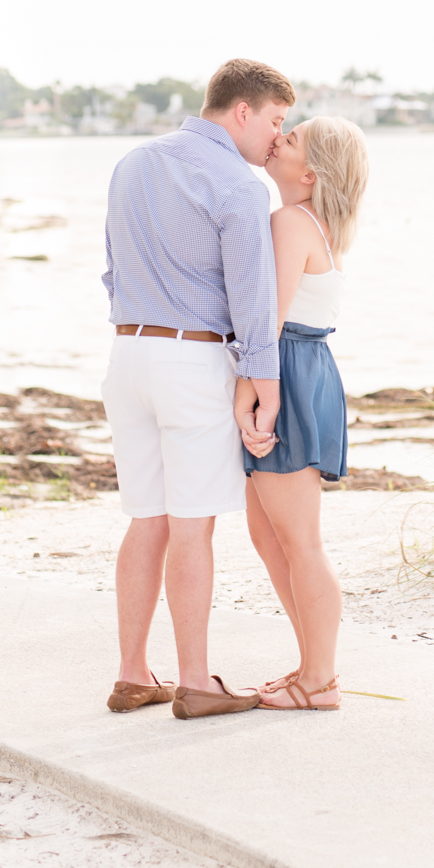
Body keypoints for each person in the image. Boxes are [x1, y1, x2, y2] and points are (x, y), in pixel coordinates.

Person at [100, 56, 294, 719]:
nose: (277, 136)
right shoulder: (239, 185)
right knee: (190, 528)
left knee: (145, 520)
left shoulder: (132, 163)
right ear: (242, 111)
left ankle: (131, 675)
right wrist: (261, 383)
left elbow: (110, 272)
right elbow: (251, 297)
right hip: (191, 363)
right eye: (274, 120)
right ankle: (195, 682)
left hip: (126, 356)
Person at [238, 114, 370, 711]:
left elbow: (268, 316)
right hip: (301, 366)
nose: (277, 139)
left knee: (298, 540)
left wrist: (252, 395)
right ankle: (310, 667)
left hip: (286, 371)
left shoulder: (291, 221)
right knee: (270, 537)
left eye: (289, 139)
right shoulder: (313, 223)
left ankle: (321, 680)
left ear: (310, 172)